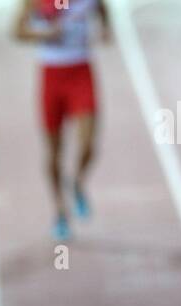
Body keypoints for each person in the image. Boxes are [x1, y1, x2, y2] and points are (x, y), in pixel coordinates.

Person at [12, 0, 110, 240]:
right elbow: (17, 30)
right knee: (54, 152)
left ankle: (77, 183)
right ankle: (59, 212)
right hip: (52, 75)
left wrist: (106, 28)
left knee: (88, 144)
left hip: (81, 72)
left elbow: (102, 9)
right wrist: (45, 33)